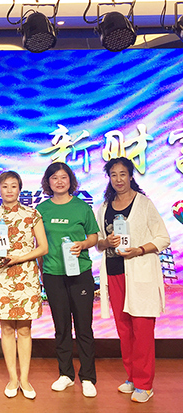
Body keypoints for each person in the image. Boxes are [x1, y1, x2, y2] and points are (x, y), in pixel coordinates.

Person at [95, 157, 170, 403]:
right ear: (109, 178)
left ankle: (145, 384)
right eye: (113, 175)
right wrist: (106, 242)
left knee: (142, 330)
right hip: (114, 273)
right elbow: (98, 243)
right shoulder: (104, 207)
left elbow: (163, 238)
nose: (118, 179)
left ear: (131, 176)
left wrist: (139, 250)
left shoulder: (143, 204)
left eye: (123, 174)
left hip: (140, 274)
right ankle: (132, 377)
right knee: (125, 330)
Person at [35, 162, 99, 398]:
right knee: (61, 327)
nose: (59, 182)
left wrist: (83, 244)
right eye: (54, 178)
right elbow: (39, 244)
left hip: (80, 273)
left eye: (63, 177)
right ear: (48, 182)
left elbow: (94, 236)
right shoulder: (41, 210)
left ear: (71, 180)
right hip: (53, 273)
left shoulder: (82, 207)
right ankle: (66, 374)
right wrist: (41, 272)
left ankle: (88, 377)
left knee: (84, 327)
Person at [0, 171, 48, 400]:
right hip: (2, 276)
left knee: (25, 329)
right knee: (7, 329)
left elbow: (43, 247)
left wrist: (20, 258)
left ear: (20, 189)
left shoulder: (32, 214)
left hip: (26, 275)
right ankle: (12, 378)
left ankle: (25, 379)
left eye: (13, 186)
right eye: (5, 186)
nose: (9, 190)